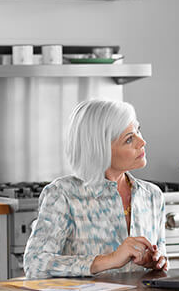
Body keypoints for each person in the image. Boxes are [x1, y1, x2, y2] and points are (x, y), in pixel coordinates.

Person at [24, 99, 168, 279]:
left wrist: (156, 262)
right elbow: (35, 264)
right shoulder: (63, 194)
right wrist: (110, 259)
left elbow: (161, 259)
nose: (142, 142)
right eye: (129, 139)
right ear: (100, 150)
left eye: (138, 130)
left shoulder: (153, 196)